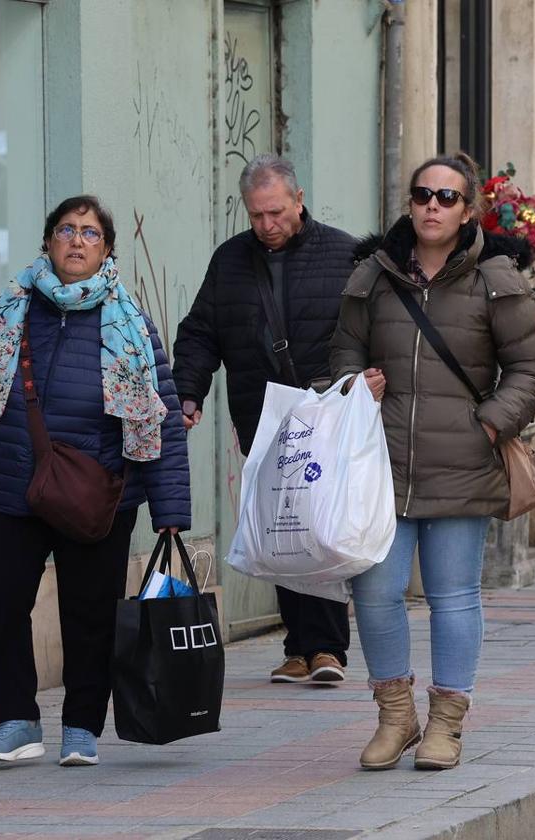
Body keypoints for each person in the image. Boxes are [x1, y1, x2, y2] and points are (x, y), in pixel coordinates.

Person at [0, 195, 190, 766]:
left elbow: (160, 417)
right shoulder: (8, 311)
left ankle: (81, 728)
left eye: (90, 233)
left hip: (96, 493)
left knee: (89, 612)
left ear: (107, 250)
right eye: (66, 230)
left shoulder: (132, 324)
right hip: (5, 487)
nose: (77, 241)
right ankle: (16, 720)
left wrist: (171, 512)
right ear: (47, 242)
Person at [331, 152, 535, 771]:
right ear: (410, 203)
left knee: (453, 597)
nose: (433, 205)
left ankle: (446, 725)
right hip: (382, 464)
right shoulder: (373, 277)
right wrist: (354, 386)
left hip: (464, 462)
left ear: (468, 210)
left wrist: (489, 423)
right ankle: (396, 718)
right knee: (375, 593)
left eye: (447, 197)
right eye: (423, 194)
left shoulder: (496, 278)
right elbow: (342, 350)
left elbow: (531, 367)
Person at [173, 155, 355, 683]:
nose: (267, 225)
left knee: (317, 523)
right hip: (262, 414)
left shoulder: (342, 254)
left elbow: (369, 331)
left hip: (324, 414)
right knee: (282, 526)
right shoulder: (230, 260)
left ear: (298, 201)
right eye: (256, 216)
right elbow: (201, 331)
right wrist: (190, 390)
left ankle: (327, 648)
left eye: (276, 212)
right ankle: (299, 648)